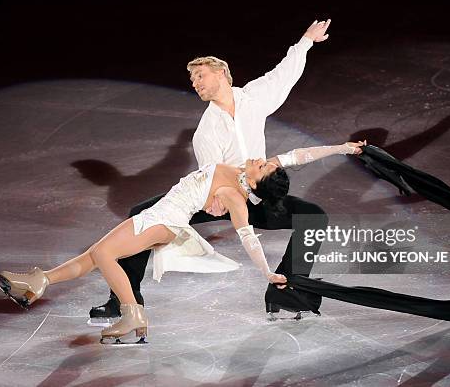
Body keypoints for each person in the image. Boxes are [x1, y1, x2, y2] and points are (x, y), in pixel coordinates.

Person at [89, 19, 337, 323]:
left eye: (200, 75)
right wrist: (217, 198)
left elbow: (283, 75)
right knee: (142, 214)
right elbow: (210, 186)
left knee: (314, 217)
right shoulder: (206, 130)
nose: (195, 83)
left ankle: (284, 292)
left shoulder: (253, 97)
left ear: (222, 72)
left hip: (257, 194)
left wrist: (307, 41)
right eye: (192, 79)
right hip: (222, 198)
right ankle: (124, 301)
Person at [0, 142, 365, 343]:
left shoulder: (236, 198)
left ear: (257, 182)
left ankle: (131, 314)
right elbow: (300, 155)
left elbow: (248, 236)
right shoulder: (240, 173)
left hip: (165, 221)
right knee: (93, 255)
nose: (263, 160)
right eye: (268, 162)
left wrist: (268, 272)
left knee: (104, 255)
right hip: (155, 215)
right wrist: (342, 149)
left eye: (265, 166)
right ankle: (38, 282)